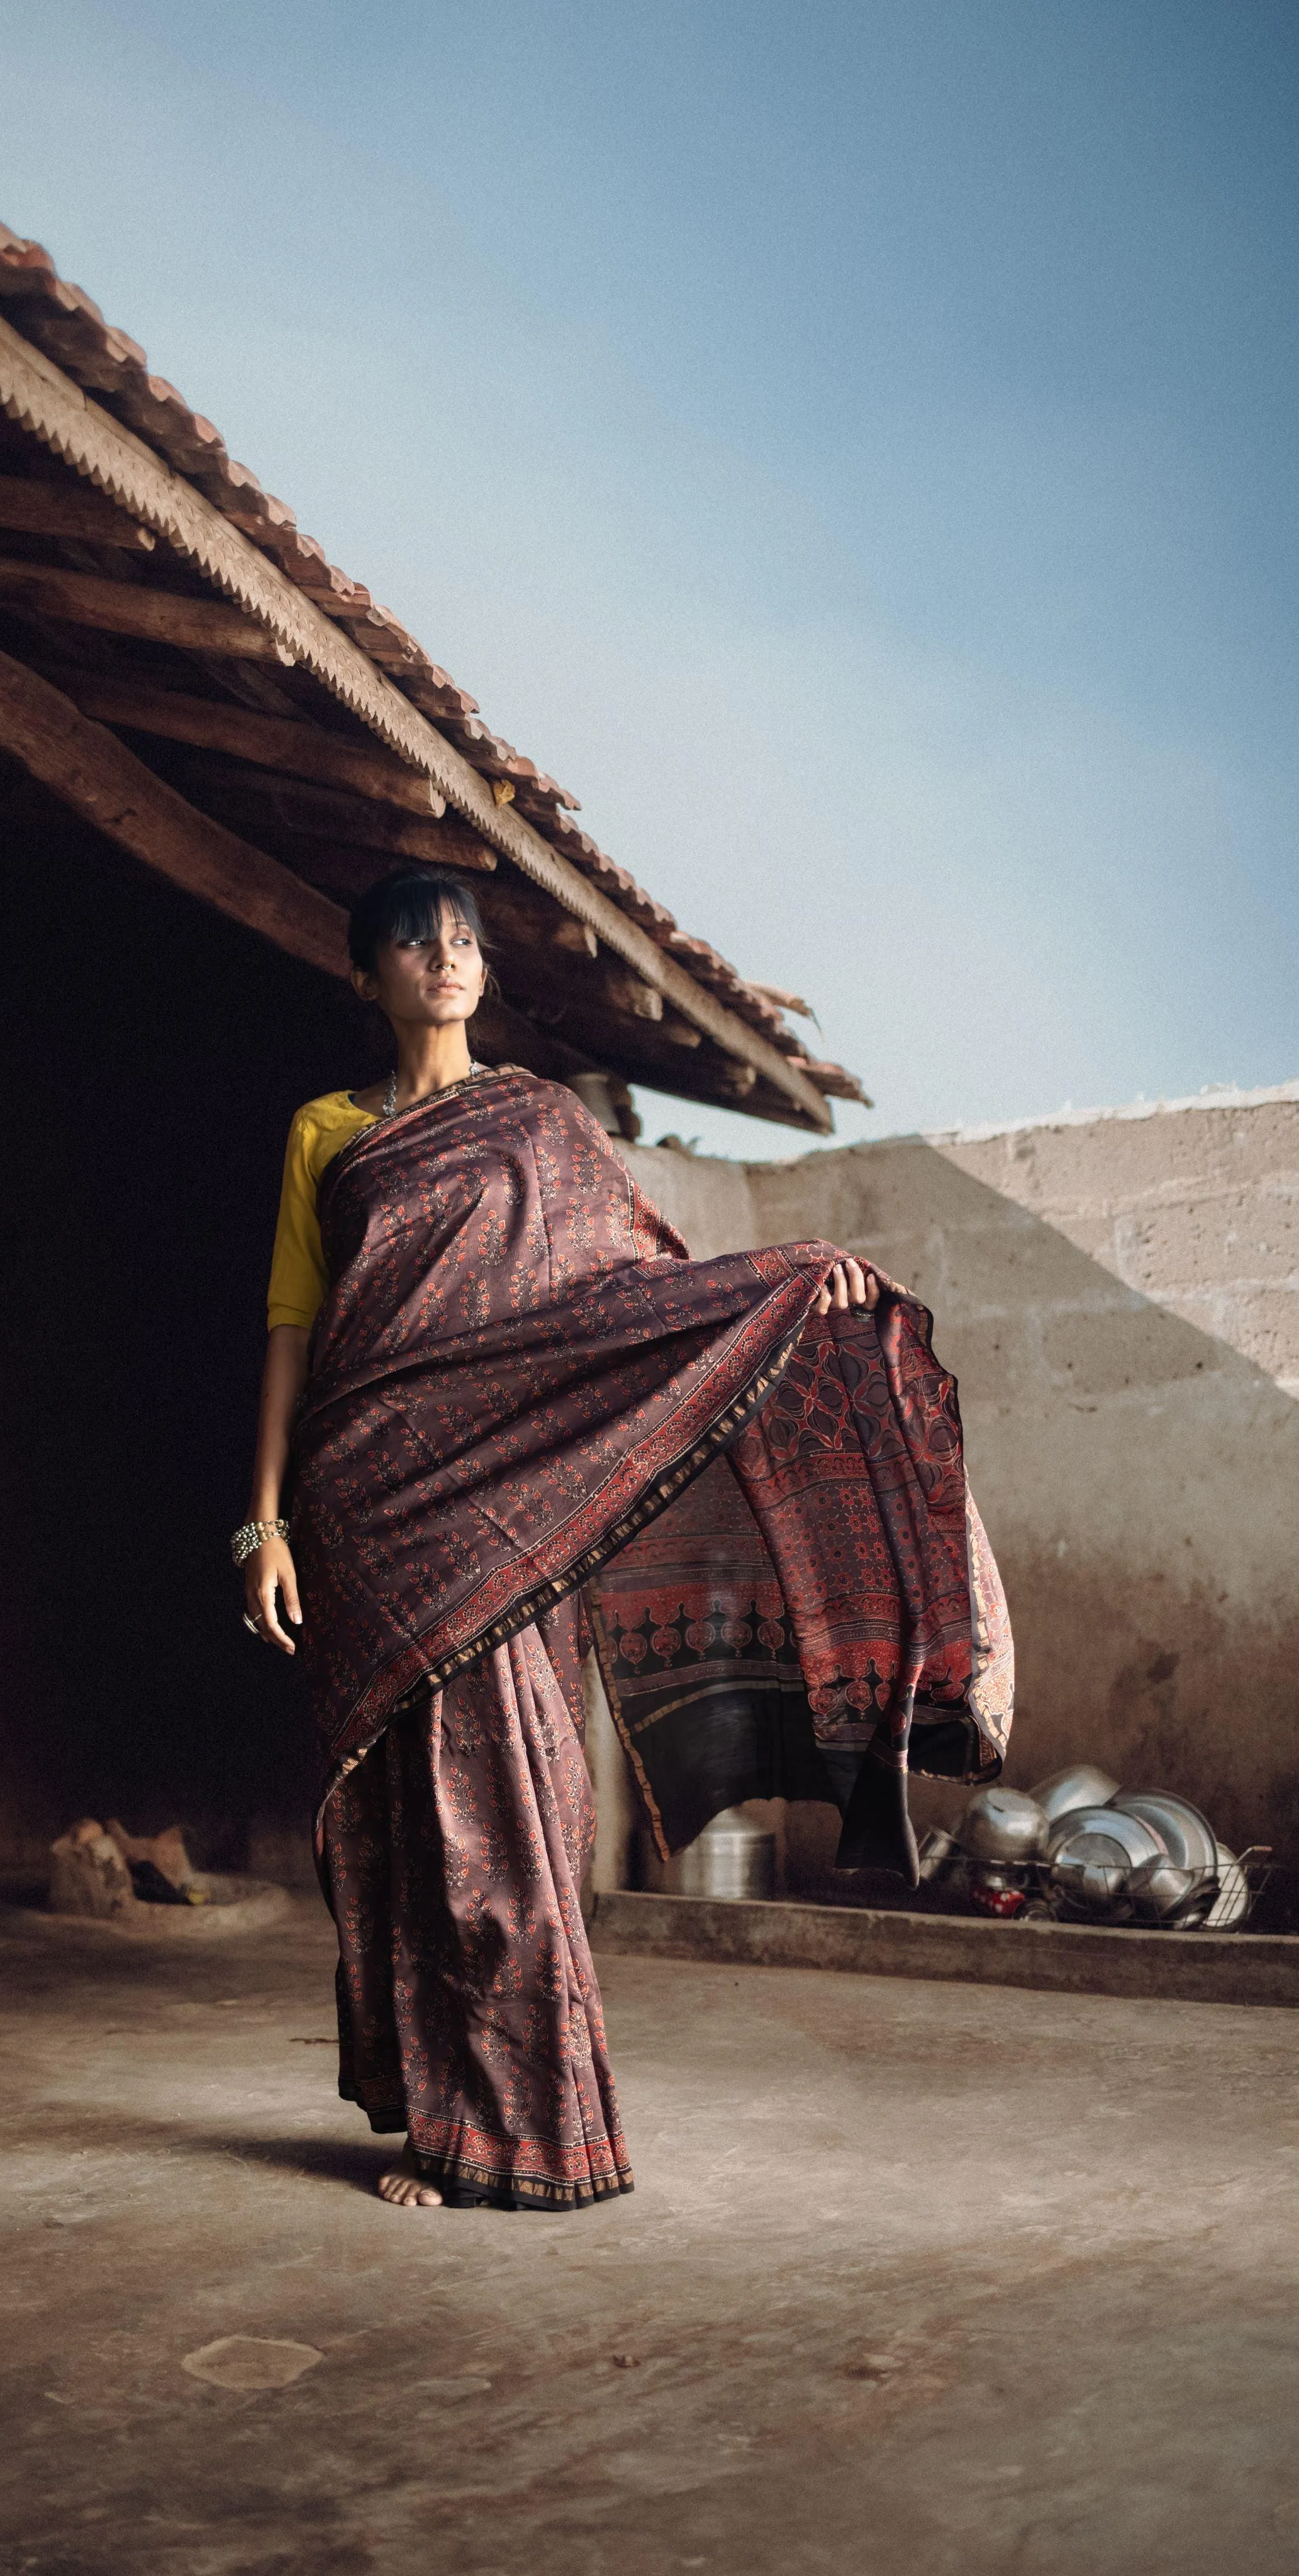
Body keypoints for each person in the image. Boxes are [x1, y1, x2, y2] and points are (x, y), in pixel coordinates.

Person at [238, 867, 1012, 2213]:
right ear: (366, 972)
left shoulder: (536, 1120)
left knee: (513, 1808)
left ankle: (523, 2126)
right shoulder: (323, 1130)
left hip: (508, 1506)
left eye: (467, 939)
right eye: (417, 940)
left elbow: (631, 1283)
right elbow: (295, 1328)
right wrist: (264, 1520)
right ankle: (440, 2121)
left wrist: (783, 1287)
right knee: (406, 1826)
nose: (447, 956)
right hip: (367, 1502)